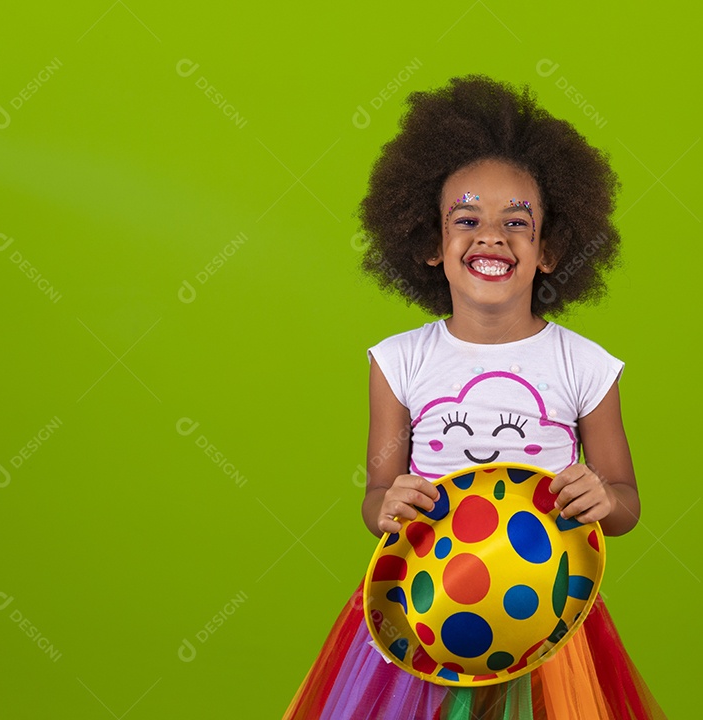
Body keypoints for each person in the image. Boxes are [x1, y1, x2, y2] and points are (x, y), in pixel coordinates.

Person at [281, 74, 667, 719]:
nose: (492, 236)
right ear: (431, 242)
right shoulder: (399, 361)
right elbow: (377, 499)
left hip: (547, 617)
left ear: (550, 248)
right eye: (467, 219)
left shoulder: (586, 366)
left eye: (517, 223)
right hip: (425, 608)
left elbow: (624, 504)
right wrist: (386, 506)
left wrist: (604, 499)